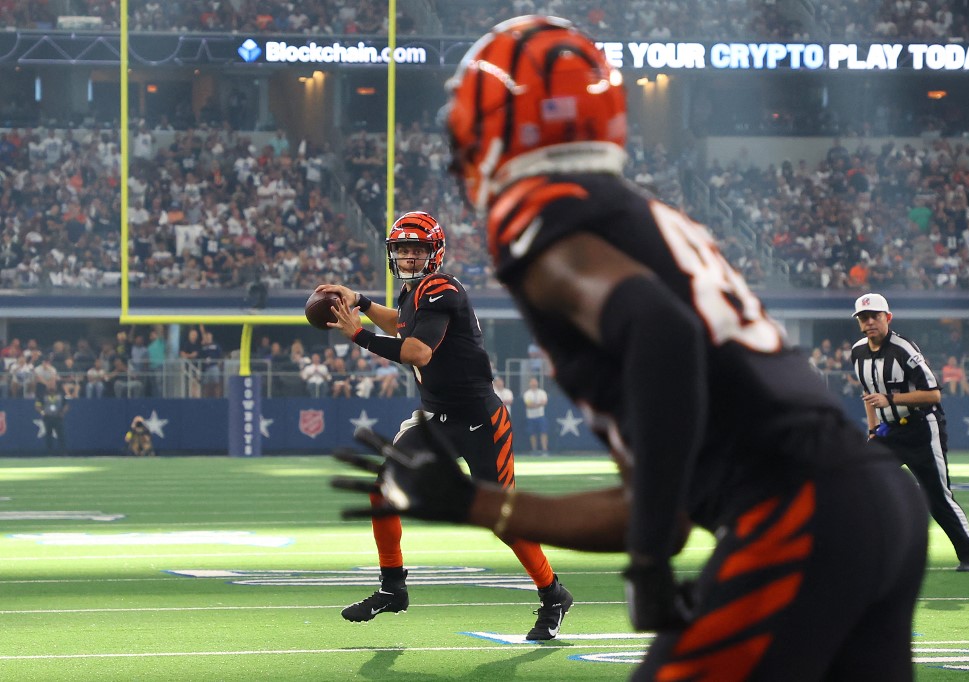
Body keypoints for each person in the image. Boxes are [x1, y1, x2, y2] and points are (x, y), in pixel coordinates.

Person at [333, 16, 930, 681]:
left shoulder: (543, 216)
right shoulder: (636, 216)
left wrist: (647, 562)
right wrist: (476, 504)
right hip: (876, 504)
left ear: (494, 129)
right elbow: (656, 508)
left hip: (800, 516)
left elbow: (662, 333)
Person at [317, 210, 573, 640]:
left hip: (478, 421)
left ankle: (553, 595)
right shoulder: (414, 293)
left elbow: (417, 352)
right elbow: (400, 325)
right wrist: (359, 300)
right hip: (435, 418)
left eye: (417, 250)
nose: (409, 257)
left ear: (434, 253)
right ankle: (392, 588)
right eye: (402, 250)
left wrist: (358, 335)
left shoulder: (441, 289)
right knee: (382, 492)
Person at [851, 292, 969, 572]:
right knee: (861, 485)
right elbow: (868, 392)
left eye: (875, 316)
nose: (869, 323)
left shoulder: (903, 350)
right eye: (864, 318)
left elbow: (934, 394)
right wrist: (873, 428)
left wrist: (892, 400)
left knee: (937, 496)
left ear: (887, 318)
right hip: (888, 431)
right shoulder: (858, 352)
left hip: (922, 428)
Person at [35, 384, 69, 452]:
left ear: (56, 387)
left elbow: (66, 405)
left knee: (61, 435)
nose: (51, 388)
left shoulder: (60, 395)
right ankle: (49, 452)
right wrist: (42, 412)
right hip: (48, 417)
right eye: (50, 386)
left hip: (58, 417)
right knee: (48, 435)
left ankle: (63, 452)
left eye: (53, 386)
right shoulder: (42, 396)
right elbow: (37, 406)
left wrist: (62, 413)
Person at [521, 377, 549, 454]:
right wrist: (538, 404)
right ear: (530, 384)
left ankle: (544, 450)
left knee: (543, 432)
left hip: (541, 415)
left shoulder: (542, 392)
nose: (534, 384)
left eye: (535, 382)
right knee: (532, 433)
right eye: (532, 382)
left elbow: (544, 402)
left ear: (537, 383)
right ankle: (534, 450)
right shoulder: (527, 393)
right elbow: (528, 405)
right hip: (530, 417)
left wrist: (534, 404)